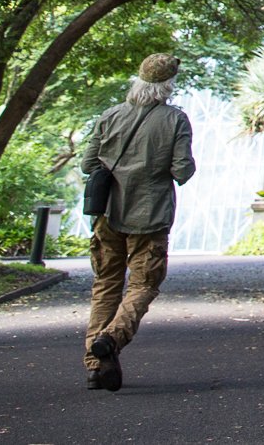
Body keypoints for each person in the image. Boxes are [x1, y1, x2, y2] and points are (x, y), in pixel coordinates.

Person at [78, 52, 195, 391]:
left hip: (108, 216)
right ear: (168, 86)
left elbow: (89, 164)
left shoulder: (110, 115)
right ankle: (112, 339)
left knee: (105, 286)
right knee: (143, 286)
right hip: (151, 216)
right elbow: (182, 171)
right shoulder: (175, 120)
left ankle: (94, 366)